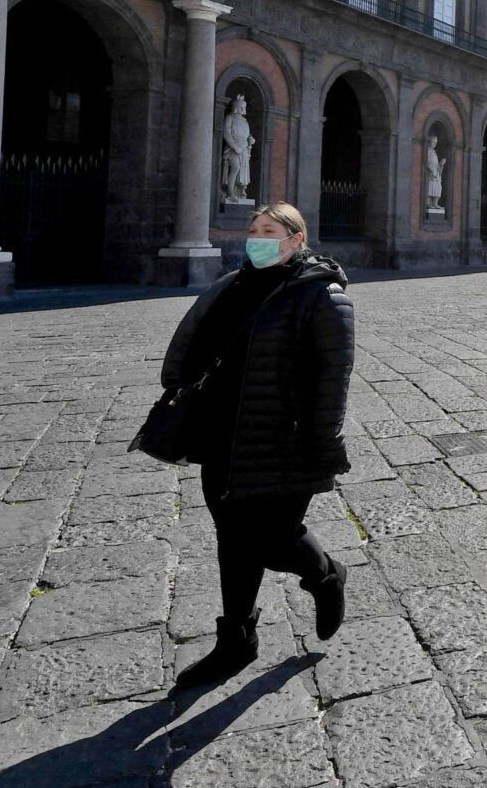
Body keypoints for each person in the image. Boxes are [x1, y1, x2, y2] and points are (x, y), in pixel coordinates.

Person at [161, 202, 354, 688]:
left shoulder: (323, 295)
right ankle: (236, 642)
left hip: (286, 438)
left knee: (274, 538)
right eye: (253, 230)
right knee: (233, 535)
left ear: (296, 239)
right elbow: (196, 343)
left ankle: (326, 575)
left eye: (269, 230)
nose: (257, 237)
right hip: (224, 434)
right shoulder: (233, 286)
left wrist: (325, 439)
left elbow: (335, 376)